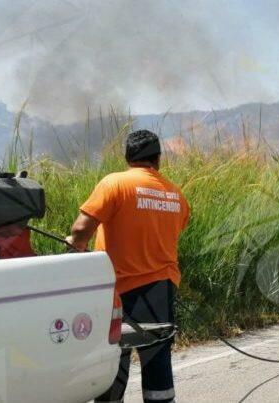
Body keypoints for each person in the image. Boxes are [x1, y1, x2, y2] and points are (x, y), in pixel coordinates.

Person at [66, 129, 190, 403]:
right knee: (157, 359)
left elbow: (80, 230)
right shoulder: (176, 195)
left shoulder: (114, 184)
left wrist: (74, 247)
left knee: (111, 359)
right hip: (161, 289)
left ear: (127, 157)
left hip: (116, 292)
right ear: (158, 159)